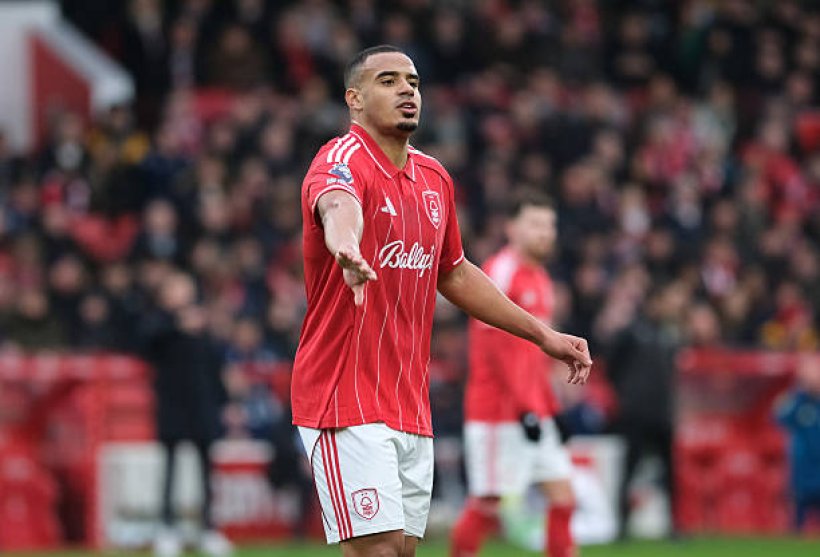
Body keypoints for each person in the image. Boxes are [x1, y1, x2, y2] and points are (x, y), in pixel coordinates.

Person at [291, 44, 593, 557]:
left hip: (409, 401)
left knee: (402, 550)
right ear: (354, 99)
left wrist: (544, 336)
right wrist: (346, 247)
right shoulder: (340, 161)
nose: (407, 91)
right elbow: (337, 206)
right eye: (388, 81)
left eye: (413, 82)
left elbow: (453, 272)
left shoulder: (434, 179)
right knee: (380, 550)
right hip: (344, 395)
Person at [451, 191, 578, 557]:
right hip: (498, 411)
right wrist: (525, 406)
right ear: (512, 228)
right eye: (535, 224)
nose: (545, 232)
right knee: (487, 504)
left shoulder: (541, 279)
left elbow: (534, 358)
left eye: (549, 225)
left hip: (534, 409)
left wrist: (550, 407)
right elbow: (495, 349)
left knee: (563, 497)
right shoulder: (500, 271)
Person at [140, 271, 233, 557]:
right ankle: (166, 528)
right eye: (176, 288)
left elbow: (215, 365)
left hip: (202, 406)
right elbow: (145, 345)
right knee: (169, 469)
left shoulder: (202, 323)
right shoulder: (157, 322)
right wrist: (178, 325)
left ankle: (208, 528)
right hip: (172, 406)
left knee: (206, 471)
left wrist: (224, 401)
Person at [598, 281, 688, 539]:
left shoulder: (669, 335)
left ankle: (674, 526)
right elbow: (611, 367)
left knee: (669, 471)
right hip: (636, 413)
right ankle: (622, 525)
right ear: (653, 302)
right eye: (666, 301)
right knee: (630, 468)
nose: (670, 306)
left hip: (662, 412)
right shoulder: (631, 332)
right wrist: (627, 395)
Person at [776, 353, 820, 532]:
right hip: (802, 472)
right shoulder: (797, 402)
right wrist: (799, 393)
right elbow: (779, 417)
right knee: (797, 526)